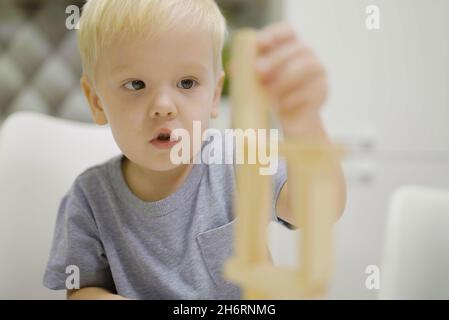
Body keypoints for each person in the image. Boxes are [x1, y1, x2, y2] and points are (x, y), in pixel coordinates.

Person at [43, 0, 346, 300]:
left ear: (214, 95)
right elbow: (81, 289)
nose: (163, 106)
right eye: (136, 84)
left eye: (187, 83)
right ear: (97, 101)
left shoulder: (238, 161)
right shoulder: (89, 198)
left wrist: (304, 122)